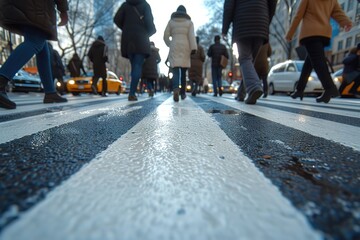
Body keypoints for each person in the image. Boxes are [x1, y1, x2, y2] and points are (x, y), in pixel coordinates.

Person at [0, 0, 68, 109]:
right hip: (37, 5)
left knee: (43, 47)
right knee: (35, 41)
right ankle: (1, 80)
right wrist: (63, 9)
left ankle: (50, 92)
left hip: (21, 4)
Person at [286, 0, 352, 103]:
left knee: (318, 62)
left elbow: (298, 15)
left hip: (310, 33)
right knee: (309, 62)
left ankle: (330, 88)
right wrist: (346, 22)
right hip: (324, 33)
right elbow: (337, 12)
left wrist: (290, 33)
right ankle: (299, 90)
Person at [222, 0, 277, 104]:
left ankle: (254, 87)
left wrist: (225, 29)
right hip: (261, 23)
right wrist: (266, 19)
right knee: (249, 62)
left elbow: (229, 6)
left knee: (245, 59)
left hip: (242, 24)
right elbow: (273, 3)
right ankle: (241, 93)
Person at [114, 0, 156, 101]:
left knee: (133, 65)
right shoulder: (145, 5)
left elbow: (116, 19)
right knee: (137, 65)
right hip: (141, 39)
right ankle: (132, 93)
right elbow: (149, 22)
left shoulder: (125, 5)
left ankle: (133, 90)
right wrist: (147, 32)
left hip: (128, 39)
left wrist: (126, 28)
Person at [163, 5, 197, 102]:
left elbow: (165, 36)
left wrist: (170, 44)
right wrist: (193, 48)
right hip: (185, 47)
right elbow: (191, 36)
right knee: (183, 72)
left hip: (175, 46)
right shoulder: (189, 23)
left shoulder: (171, 22)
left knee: (175, 70)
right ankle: (183, 93)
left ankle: (175, 89)